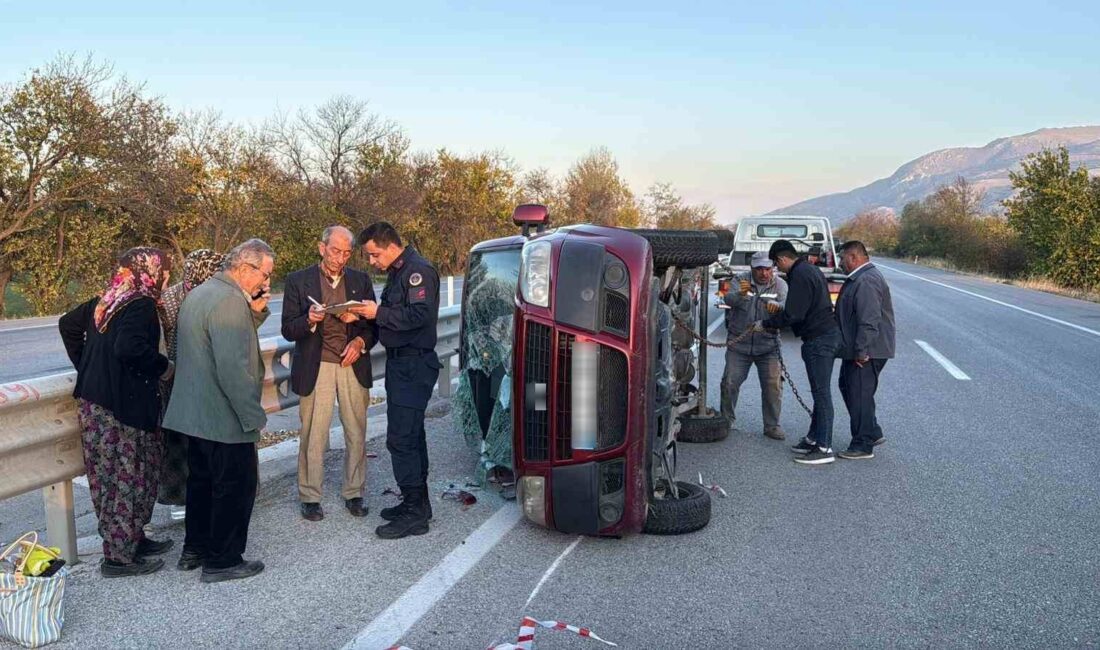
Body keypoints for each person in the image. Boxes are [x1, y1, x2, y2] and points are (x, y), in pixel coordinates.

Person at [58, 247, 176, 577]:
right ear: (151, 271)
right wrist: (163, 367)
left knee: (114, 477)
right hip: (121, 408)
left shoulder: (108, 299)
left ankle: (131, 539)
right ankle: (118, 558)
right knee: (130, 476)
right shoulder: (140, 304)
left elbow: (67, 325)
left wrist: (88, 367)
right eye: (165, 270)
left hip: (98, 404)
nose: (167, 276)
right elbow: (129, 348)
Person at [163, 238, 274, 583]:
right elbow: (233, 370)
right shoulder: (228, 302)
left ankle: (194, 549)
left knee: (201, 484)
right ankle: (223, 560)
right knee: (235, 486)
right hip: (222, 416)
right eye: (265, 274)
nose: (266, 283)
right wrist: (252, 416)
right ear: (244, 268)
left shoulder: (198, 293)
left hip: (194, 413)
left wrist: (254, 312)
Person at [350, 222, 442, 540]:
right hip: (401, 364)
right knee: (411, 436)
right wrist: (365, 315)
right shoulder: (399, 272)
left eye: (374, 255)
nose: (372, 262)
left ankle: (415, 513)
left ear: (390, 246)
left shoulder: (418, 271)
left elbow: (419, 316)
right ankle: (418, 503)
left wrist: (379, 314)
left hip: (414, 364)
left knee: (401, 439)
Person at [282, 226, 377, 521]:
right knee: (314, 433)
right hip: (316, 364)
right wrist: (309, 320)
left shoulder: (361, 280)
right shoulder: (298, 280)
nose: (341, 258)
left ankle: (355, 492)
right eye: (336, 251)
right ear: (321, 248)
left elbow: (373, 326)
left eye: (347, 252)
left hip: (352, 364)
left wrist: (360, 342)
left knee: (356, 431)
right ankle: (310, 496)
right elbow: (288, 327)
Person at [759, 240, 842, 465]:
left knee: (822, 394)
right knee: (819, 392)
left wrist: (767, 323)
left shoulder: (800, 275)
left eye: (776, 265)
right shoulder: (809, 269)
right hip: (823, 336)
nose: (777, 269)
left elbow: (795, 313)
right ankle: (814, 438)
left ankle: (824, 448)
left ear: (781, 259)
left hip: (820, 339)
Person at [157, 249, 225, 517]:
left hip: (209, 377)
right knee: (179, 443)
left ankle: (212, 495)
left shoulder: (220, 296)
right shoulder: (170, 299)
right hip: (178, 378)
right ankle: (179, 499)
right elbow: (163, 339)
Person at [834, 240, 896, 460]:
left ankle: (862, 444)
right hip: (859, 348)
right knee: (848, 386)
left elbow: (869, 319)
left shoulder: (867, 280)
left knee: (858, 393)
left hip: (869, 350)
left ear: (853, 257)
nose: (840, 262)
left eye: (842, 258)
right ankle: (872, 431)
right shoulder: (860, 278)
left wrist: (862, 351)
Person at [720, 251, 788, 440]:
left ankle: (772, 426)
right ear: (752, 269)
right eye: (759, 269)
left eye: (767, 269)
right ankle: (726, 421)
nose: (764, 273)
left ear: (772, 269)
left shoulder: (780, 284)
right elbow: (727, 300)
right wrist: (741, 295)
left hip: (768, 346)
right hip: (739, 345)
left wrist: (778, 307)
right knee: (729, 383)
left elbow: (788, 307)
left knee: (773, 387)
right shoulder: (740, 280)